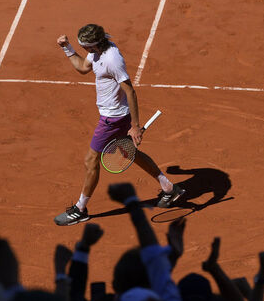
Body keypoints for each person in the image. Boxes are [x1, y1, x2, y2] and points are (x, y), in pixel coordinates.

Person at [54, 24, 184, 226]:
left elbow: (130, 91)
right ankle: (169, 188)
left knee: (91, 160)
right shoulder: (97, 52)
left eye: (85, 47)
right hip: (115, 116)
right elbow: (83, 68)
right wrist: (67, 48)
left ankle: (80, 210)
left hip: (112, 119)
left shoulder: (112, 60)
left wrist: (136, 126)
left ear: (95, 44)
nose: (84, 51)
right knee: (128, 152)